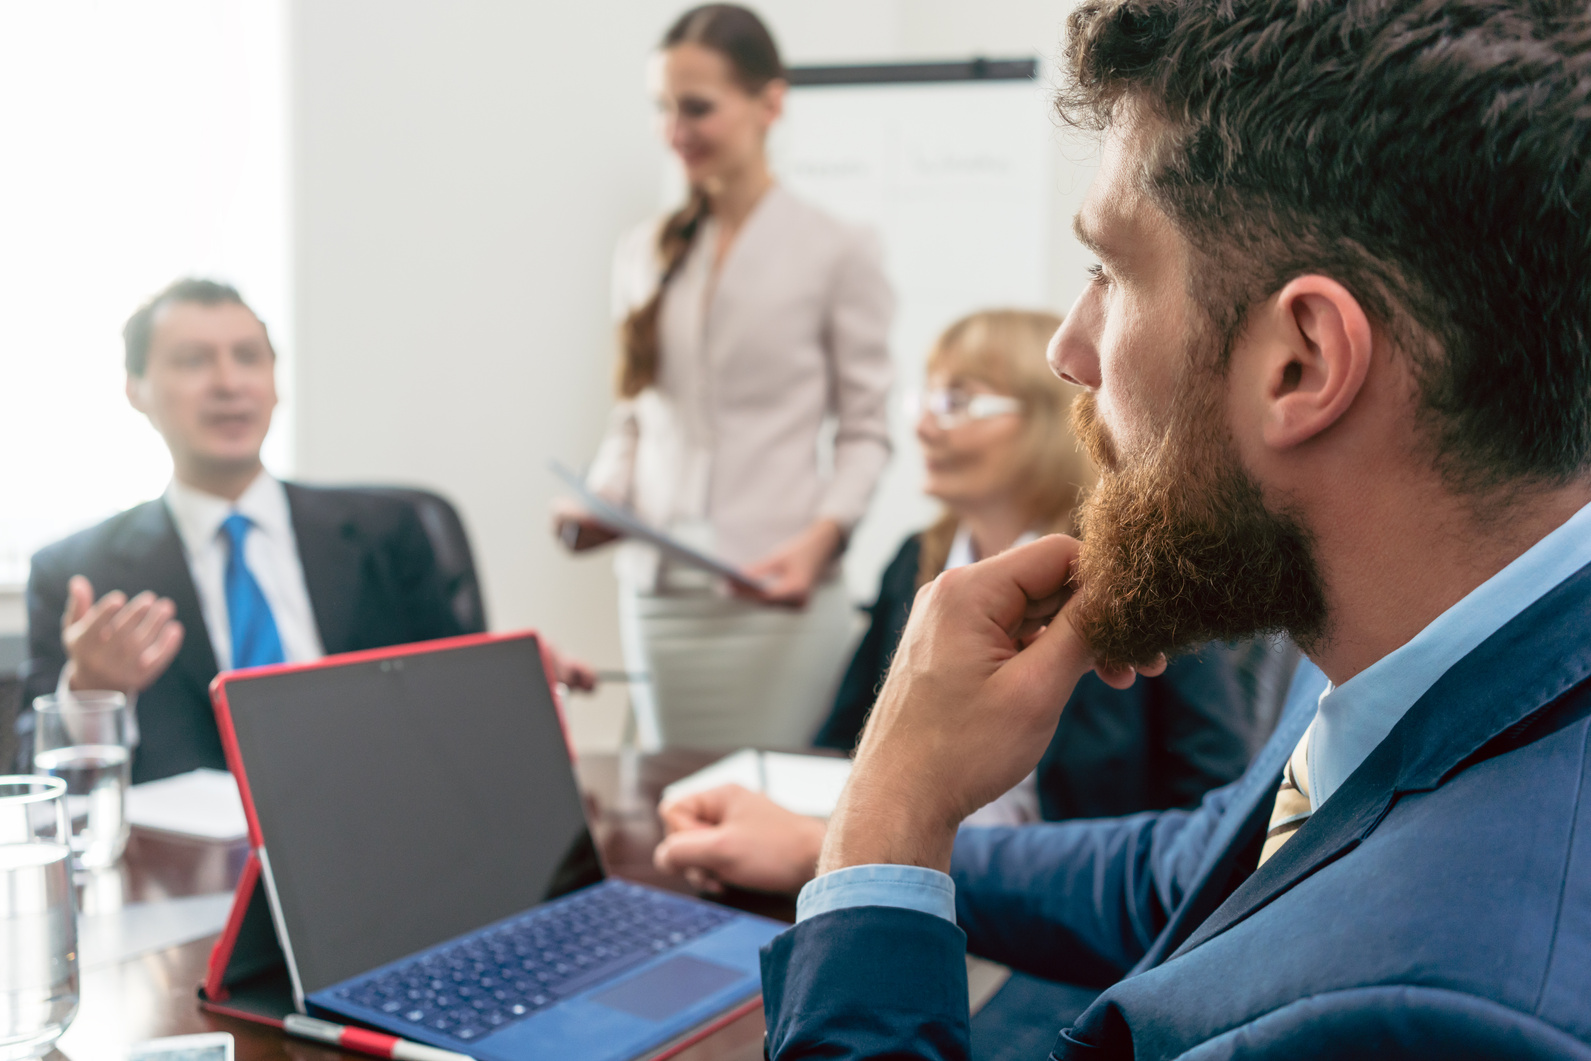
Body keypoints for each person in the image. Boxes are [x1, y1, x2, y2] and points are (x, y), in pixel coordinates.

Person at [672, 2, 1591, 1057]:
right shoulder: (1411, 628)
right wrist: (816, 843)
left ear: (1300, 362)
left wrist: (890, 816)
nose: (1070, 346)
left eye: (1110, 271)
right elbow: (1203, 867)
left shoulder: (1442, 1013)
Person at [22, 278, 593, 784]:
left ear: (276, 382)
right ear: (136, 389)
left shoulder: (388, 531)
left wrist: (504, 681)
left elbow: (449, 709)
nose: (228, 382)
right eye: (194, 361)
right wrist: (94, 691)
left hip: (380, 827)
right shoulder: (78, 572)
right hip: (191, 873)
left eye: (248, 358)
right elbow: (30, 776)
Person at [556, 3, 893, 750]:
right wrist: (601, 501)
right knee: (673, 806)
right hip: (659, 596)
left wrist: (818, 542)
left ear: (769, 102)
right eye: (662, 108)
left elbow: (868, 433)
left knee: (775, 812)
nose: (675, 129)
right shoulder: (642, 249)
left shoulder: (837, 248)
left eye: (697, 107)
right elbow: (635, 418)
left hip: (777, 595)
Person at [813, 308, 1281, 821]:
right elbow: (845, 742)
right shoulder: (913, 562)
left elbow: (1214, 791)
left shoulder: (1146, 567)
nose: (924, 426)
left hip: (1067, 892)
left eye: (957, 401)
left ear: (1049, 417)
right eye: (925, 399)